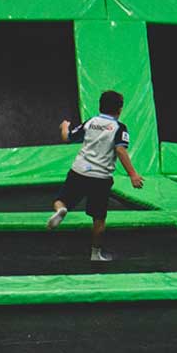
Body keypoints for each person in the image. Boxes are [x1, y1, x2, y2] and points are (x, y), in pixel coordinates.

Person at [46, 91, 145, 262]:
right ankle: (95, 253)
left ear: (100, 106)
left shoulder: (91, 122)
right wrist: (133, 174)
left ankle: (61, 210)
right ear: (120, 109)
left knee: (60, 200)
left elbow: (67, 137)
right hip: (100, 178)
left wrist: (64, 127)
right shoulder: (119, 128)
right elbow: (120, 150)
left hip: (79, 171)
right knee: (99, 219)